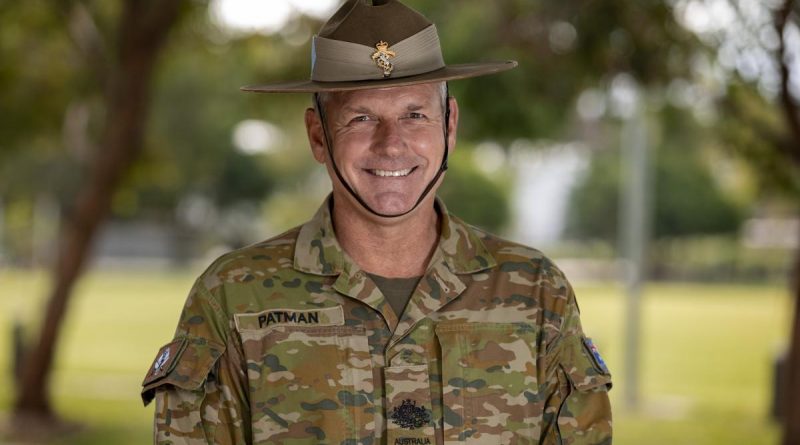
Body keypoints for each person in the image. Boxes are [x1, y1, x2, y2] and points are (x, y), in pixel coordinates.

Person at [140, 1, 612, 444]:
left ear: (448, 126)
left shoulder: (536, 294)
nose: (391, 144)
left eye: (414, 114)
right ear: (318, 136)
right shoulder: (233, 296)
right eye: (361, 117)